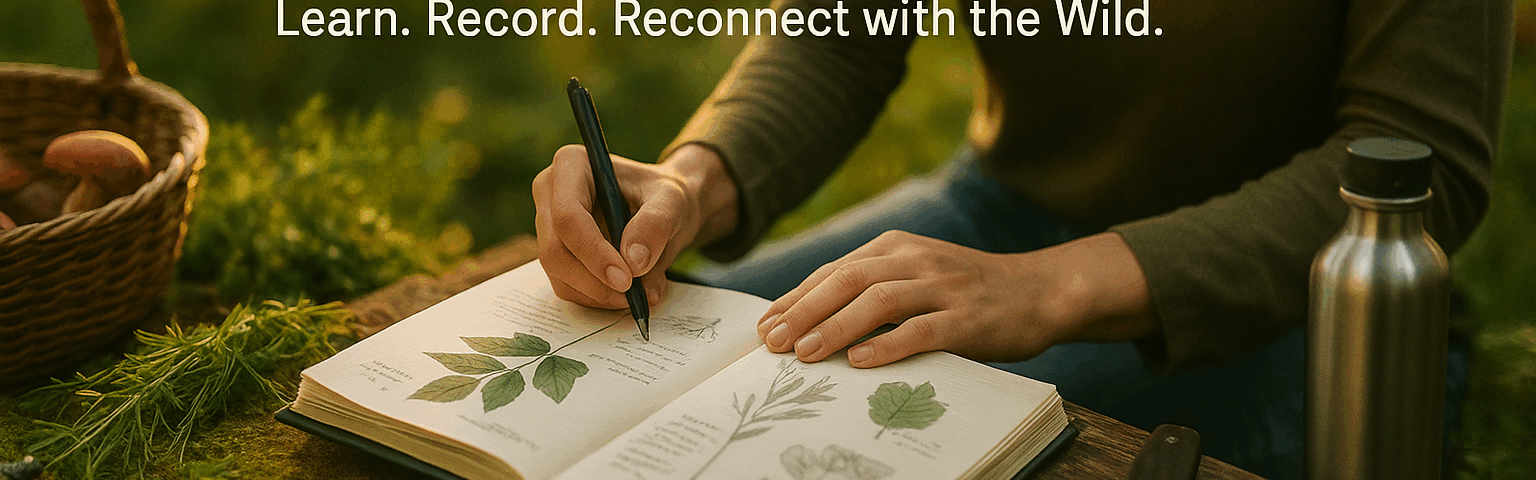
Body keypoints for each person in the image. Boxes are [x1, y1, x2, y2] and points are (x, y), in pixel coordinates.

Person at [532, 0, 1513, 477]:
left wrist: (1049, 290)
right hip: (997, 214)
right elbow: (845, 31)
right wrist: (689, 182)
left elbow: (1419, 158)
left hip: (1314, 305)